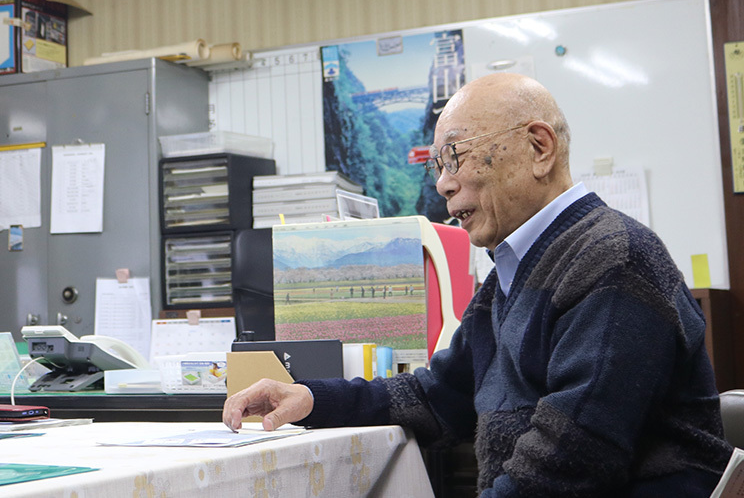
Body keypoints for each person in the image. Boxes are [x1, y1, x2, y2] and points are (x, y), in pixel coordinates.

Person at [224, 73, 731, 497]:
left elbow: (571, 462)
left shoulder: (613, 260)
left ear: (538, 147)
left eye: (456, 157)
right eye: (438, 166)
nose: (444, 183)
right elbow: (436, 393)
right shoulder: (511, 272)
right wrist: (311, 398)